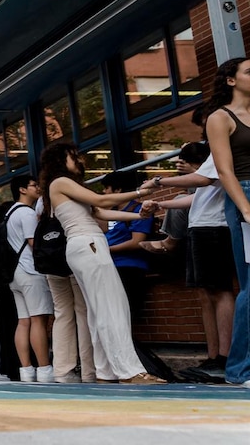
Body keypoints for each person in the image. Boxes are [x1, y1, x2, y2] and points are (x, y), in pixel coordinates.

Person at [40, 142, 163, 383]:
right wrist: (141, 193)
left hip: (85, 246)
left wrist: (139, 215)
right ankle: (129, 371)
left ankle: (106, 371)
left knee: (100, 311)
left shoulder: (63, 186)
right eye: (73, 156)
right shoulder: (60, 182)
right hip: (88, 244)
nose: (79, 160)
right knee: (112, 308)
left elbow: (101, 212)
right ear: (58, 160)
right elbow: (103, 203)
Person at [140, 141, 235, 378]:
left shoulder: (221, 153)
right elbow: (195, 199)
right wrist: (160, 203)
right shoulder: (214, 157)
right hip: (202, 228)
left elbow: (201, 180)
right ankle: (215, 358)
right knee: (210, 293)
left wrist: (157, 182)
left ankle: (225, 359)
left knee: (221, 291)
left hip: (215, 228)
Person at [202, 57, 250, 389]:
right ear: (231, 80)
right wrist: (246, 209)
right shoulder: (220, 118)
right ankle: (240, 371)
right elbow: (224, 171)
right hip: (245, 196)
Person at [6, 175, 55, 383]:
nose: (38, 188)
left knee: (23, 321)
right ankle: (44, 369)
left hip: (14, 272)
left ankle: (26, 370)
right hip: (30, 271)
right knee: (38, 320)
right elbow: (35, 243)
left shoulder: (10, 212)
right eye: (34, 185)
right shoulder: (26, 213)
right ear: (22, 189)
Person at [100, 171, 153, 325]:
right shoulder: (112, 213)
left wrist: (108, 250)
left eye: (106, 188)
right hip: (112, 266)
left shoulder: (139, 210)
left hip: (129, 268)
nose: (104, 192)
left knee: (126, 312)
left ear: (118, 190)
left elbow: (137, 241)